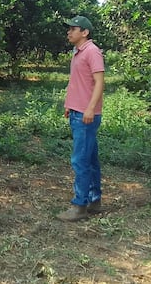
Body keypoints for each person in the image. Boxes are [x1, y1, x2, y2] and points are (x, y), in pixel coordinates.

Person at [57, 15, 105, 222]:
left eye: (73, 29)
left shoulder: (92, 52)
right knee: (90, 159)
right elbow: (77, 82)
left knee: (80, 161)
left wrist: (89, 109)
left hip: (86, 116)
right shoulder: (77, 52)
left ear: (84, 32)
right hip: (77, 112)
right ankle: (94, 200)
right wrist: (70, 105)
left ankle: (79, 206)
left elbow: (99, 82)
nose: (69, 32)